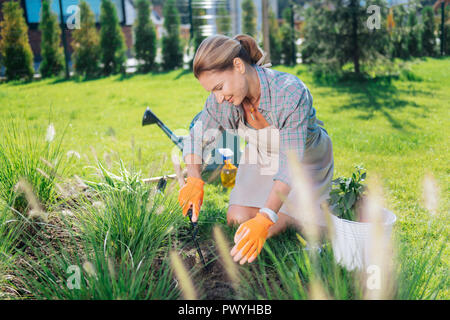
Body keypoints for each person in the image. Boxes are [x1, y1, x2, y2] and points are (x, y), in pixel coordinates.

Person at [178, 34, 334, 265]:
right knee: (237, 220)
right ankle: (289, 213)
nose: (218, 98)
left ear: (238, 65)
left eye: (219, 87)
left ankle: (304, 213)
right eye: (212, 91)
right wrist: (194, 178)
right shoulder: (221, 101)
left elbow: (290, 164)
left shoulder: (290, 93)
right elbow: (196, 138)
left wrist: (265, 217)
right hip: (260, 155)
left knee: (298, 229)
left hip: (304, 160)